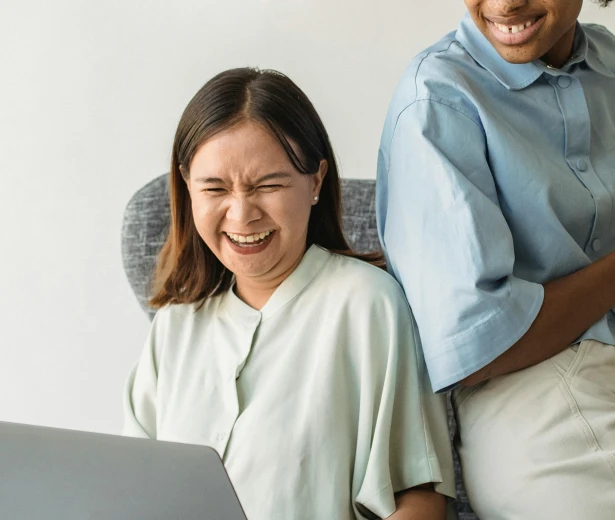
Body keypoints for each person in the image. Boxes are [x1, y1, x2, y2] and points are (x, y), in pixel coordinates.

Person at [376, 1, 615, 518]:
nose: (503, 4)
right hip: (539, 410)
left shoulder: (604, 61)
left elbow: (527, 187)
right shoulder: (438, 100)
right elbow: (477, 348)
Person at [123, 67, 455, 520]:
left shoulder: (367, 305)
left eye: (268, 185)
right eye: (215, 188)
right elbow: (128, 490)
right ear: (187, 188)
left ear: (315, 181)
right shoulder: (174, 327)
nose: (241, 215)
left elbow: (420, 501)